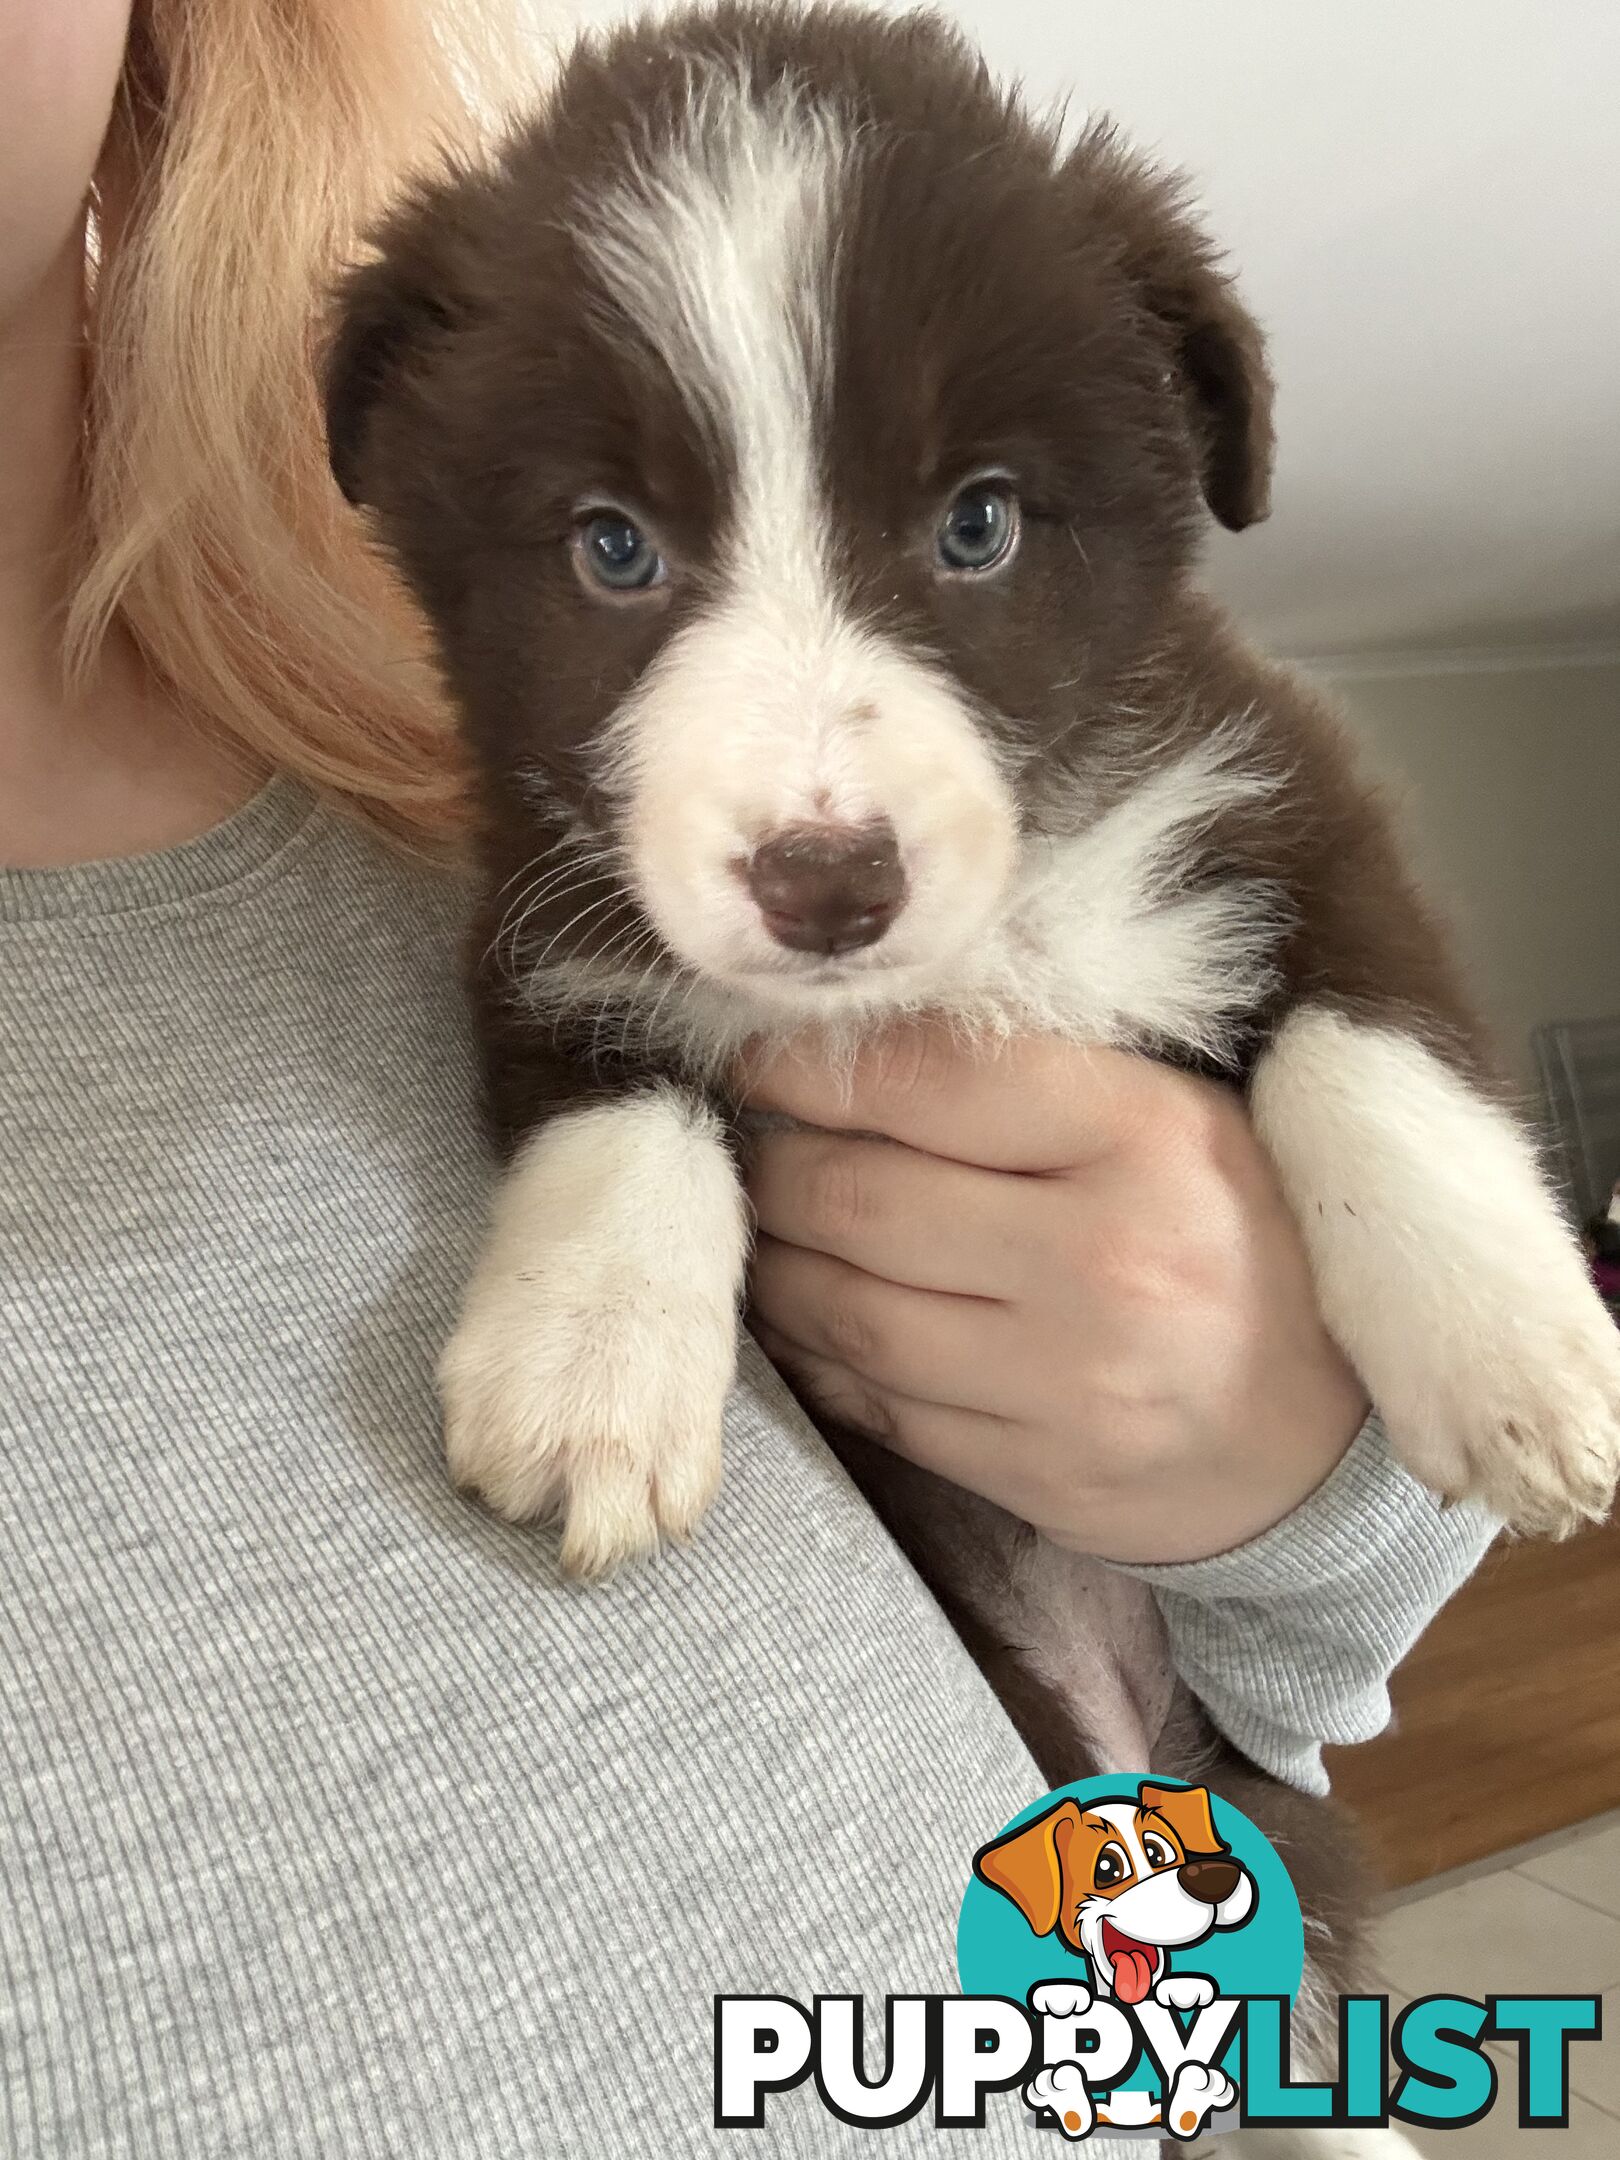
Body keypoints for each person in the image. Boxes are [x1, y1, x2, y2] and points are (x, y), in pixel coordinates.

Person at [0, 1, 1494, 2152]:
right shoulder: (563, 865)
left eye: (969, 523)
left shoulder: (399, 793)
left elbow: (1323, 1622)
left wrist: (1311, 1477)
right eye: (622, 555)